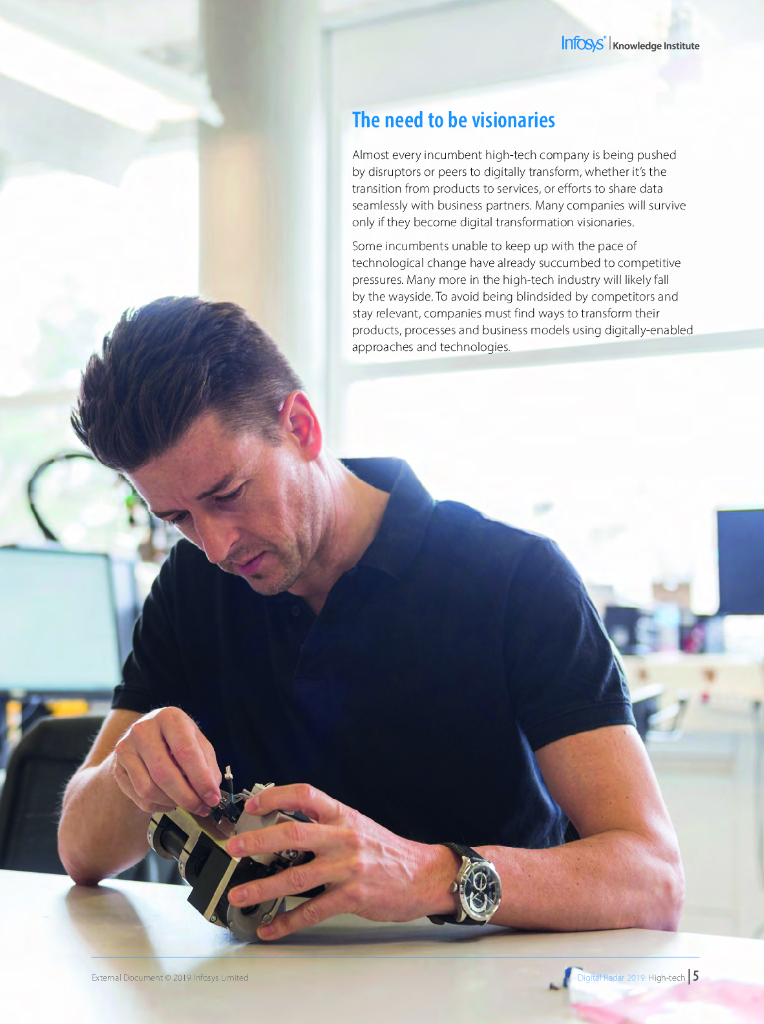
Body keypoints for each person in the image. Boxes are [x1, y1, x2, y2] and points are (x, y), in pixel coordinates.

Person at [59, 296, 683, 939]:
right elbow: (80, 850)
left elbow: (653, 880)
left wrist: (432, 876)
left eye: (228, 494)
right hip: (268, 978)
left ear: (301, 427)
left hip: (484, 977)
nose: (217, 547)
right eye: (179, 519)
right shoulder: (191, 584)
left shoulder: (515, 576)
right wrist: (133, 769)